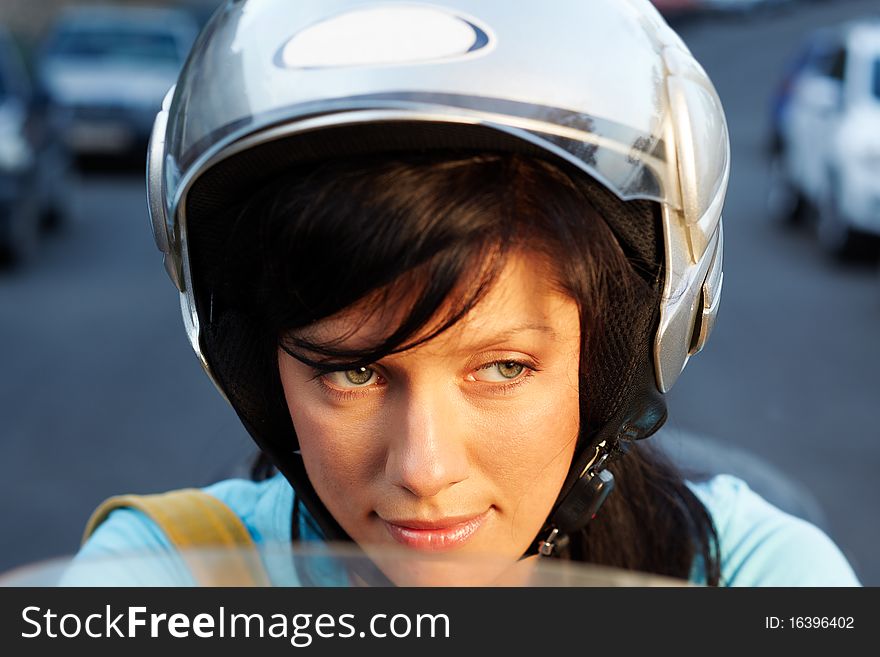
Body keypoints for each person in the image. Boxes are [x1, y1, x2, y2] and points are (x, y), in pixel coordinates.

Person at [75, 0, 859, 586]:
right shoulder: (170, 575)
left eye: (504, 367)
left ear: (616, 357)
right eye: (353, 371)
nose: (424, 468)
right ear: (256, 368)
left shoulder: (753, 579)